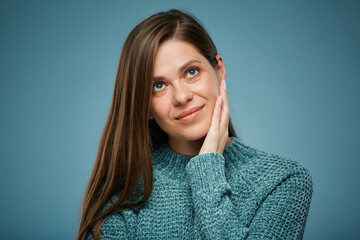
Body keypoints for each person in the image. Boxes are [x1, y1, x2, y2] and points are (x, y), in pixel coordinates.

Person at [78, 9, 313, 240]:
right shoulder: (124, 192)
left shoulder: (282, 181)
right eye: (158, 86)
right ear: (144, 105)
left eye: (191, 72)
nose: (181, 97)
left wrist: (207, 167)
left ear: (219, 71)